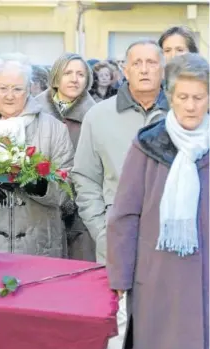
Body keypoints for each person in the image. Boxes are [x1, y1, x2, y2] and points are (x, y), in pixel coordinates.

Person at [107, 53, 209, 349]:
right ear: (170, 97)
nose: (191, 105)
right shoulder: (148, 145)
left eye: (199, 97)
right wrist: (120, 278)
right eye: (184, 96)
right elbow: (124, 216)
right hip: (157, 277)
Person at [72, 40, 169, 349]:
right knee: (119, 330)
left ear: (163, 69)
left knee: (169, 328)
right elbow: (85, 178)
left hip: (173, 246)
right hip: (117, 241)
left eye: (152, 62)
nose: (144, 69)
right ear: (124, 70)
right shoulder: (99, 116)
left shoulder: (184, 116)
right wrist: (102, 230)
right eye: (136, 63)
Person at [0, 52, 74, 257]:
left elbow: (70, 192)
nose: (9, 96)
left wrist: (40, 185)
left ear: (29, 89)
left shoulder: (54, 129)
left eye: (17, 89)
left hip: (38, 248)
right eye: (2, 89)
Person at [35, 52, 95, 261]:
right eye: (68, 72)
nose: (74, 78)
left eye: (80, 74)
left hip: (81, 210)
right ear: (56, 76)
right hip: (39, 202)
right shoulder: (34, 110)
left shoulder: (96, 115)